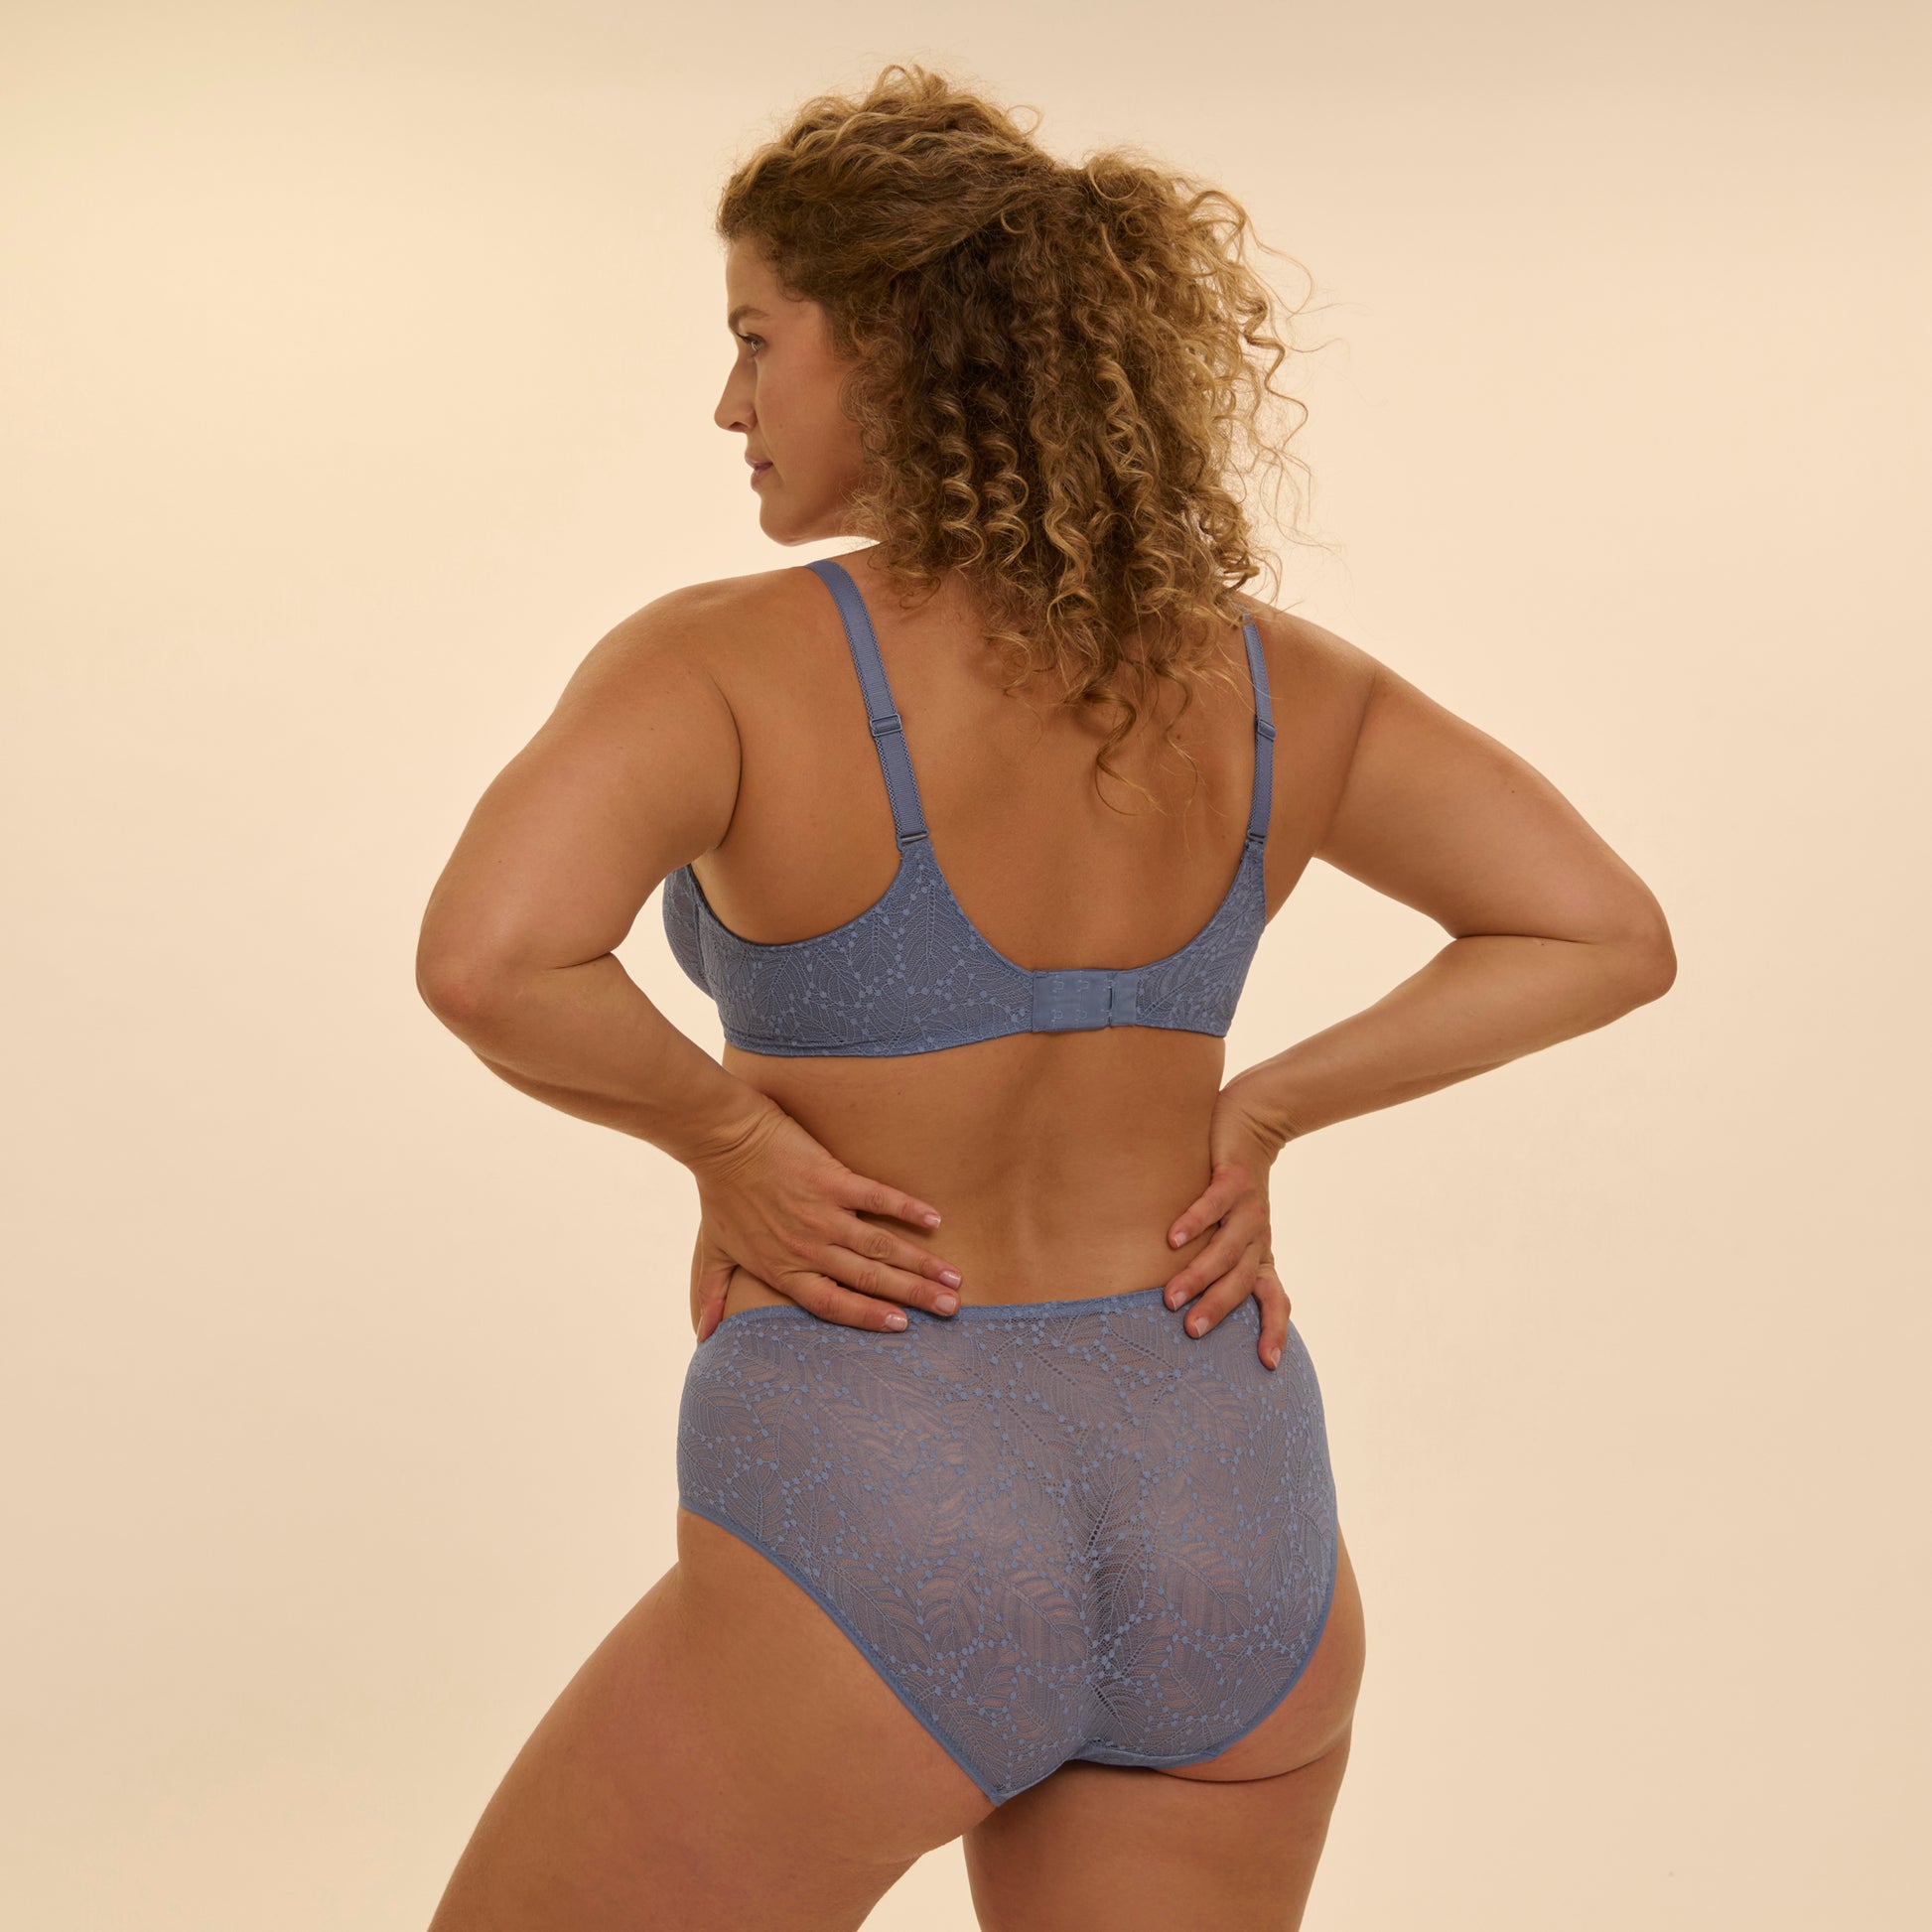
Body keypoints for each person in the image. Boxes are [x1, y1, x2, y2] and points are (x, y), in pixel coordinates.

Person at [414, 62, 1675, 1932]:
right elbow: (1599, 929)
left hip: (884, 1511)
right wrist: (1254, 1108)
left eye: (760, 338)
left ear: (898, 349)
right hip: (1227, 1504)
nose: (728, 400)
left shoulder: (730, 665)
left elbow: (490, 956)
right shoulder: (1272, 684)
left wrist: (725, 1135)